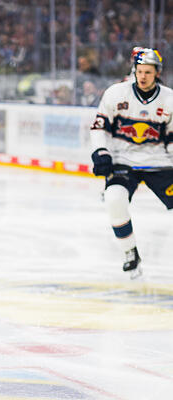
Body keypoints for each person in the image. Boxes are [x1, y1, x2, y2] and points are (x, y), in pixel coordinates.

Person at [90, 47, 173, 278]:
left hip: (158, 161)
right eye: (139, 71)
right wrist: (101, 152)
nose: (143, 76)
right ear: (133, 70)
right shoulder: (116, 93)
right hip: (123, 160)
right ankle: (130, 252)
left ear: (157, 73)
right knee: (114, 199)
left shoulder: (169, 99)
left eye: (148, 72)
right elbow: (99, 127)